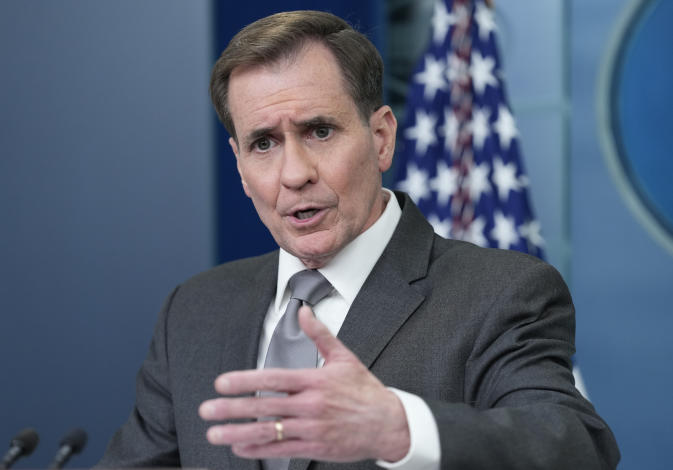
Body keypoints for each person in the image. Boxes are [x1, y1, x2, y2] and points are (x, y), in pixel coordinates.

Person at [97, 10, 619, 470]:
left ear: (381, 137)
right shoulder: (194, 310)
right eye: (264, 143)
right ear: (239, 165)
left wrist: (401, 429)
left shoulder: (501, 293)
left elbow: (576, 448)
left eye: (320, 131)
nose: (294, 173)